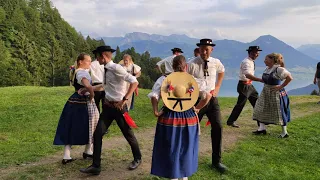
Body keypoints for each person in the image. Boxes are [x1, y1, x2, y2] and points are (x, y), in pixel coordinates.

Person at [80, 46, 142, 175]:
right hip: (108, 108)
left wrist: (125, 99)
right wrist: (89, 88)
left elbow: (134, 81)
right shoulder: (106, 69)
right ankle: (96, 166)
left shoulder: (116, 68)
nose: (96, 59)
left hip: (119, 108)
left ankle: (137, 158)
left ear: (103, 56)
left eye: (97, 56)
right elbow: (105, 86)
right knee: (97, 134)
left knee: (128, 134)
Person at [149, 55, 211, 180]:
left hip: (169, 117)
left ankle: (173, 176)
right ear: (186, 66)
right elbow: (207, 95)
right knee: (186, 147)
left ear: (172, 66)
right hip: (189, 117)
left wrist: (156, 111)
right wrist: (198, 108)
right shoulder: (192, 80)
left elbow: (154, 96)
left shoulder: (164, 79)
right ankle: (184, 176)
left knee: (170, 147)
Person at [187, 38, 228, 173]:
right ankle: (187, 159)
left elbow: (222, 71)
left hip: (212, 101)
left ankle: (216, 162)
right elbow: (186, 82)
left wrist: (217, 86)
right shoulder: (191, 64)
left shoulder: (216, 62)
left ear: (211, 50)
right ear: (198, 49)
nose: (204, 52)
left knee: (218, 127)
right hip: (196, 102)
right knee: (191, 130)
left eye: (207, 49)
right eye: (202, 49)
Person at [53, 53, 99, 164]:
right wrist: (92, 95)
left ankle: (68, 154)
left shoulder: (76, 71)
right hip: (83, 102)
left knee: (71, 126)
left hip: (75, 101)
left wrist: (101, 86)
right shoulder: (82, 72)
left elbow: (88, 86)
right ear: (80, 62)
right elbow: (87, 86)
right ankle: (87, 151)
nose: (89, 62)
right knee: (91, 124)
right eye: (88, 60)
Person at [252, 53, 293, 138]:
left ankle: (284, 132)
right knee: (261, 108)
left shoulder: (279, 69)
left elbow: (289, 78)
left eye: (266, 59)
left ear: (272, 60)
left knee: (279, 111)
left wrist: (280, 86)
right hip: (266, 92)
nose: (264, 61)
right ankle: (262, 129)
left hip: (275, 93)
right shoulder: (267, 69)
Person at [226, 46, 263, 128]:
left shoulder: (251, 61)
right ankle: (231, 121)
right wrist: (260, 80)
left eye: (258, 53)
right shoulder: (246, 62)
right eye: (255, 52)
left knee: (257, 103)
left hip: (249, 85)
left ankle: (261, 123)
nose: (257, 54)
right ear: (250, 53)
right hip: (244, 86)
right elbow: (247, 75)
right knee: (240, 105)